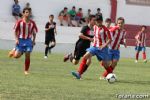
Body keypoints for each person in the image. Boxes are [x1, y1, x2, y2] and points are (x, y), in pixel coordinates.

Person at [9, 8, 38, 75]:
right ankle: (15, 50)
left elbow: (34, 33)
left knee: (28, 54)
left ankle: (26, 71)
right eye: (27, 12)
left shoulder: (32, 23)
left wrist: (33, 41)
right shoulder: (19, 22)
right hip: (20, 40)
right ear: (24, 13)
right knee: (16, 56)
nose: (28, 13)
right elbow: (15, 31)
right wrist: (16, 39)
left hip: (28, 41)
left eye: (29, 12)